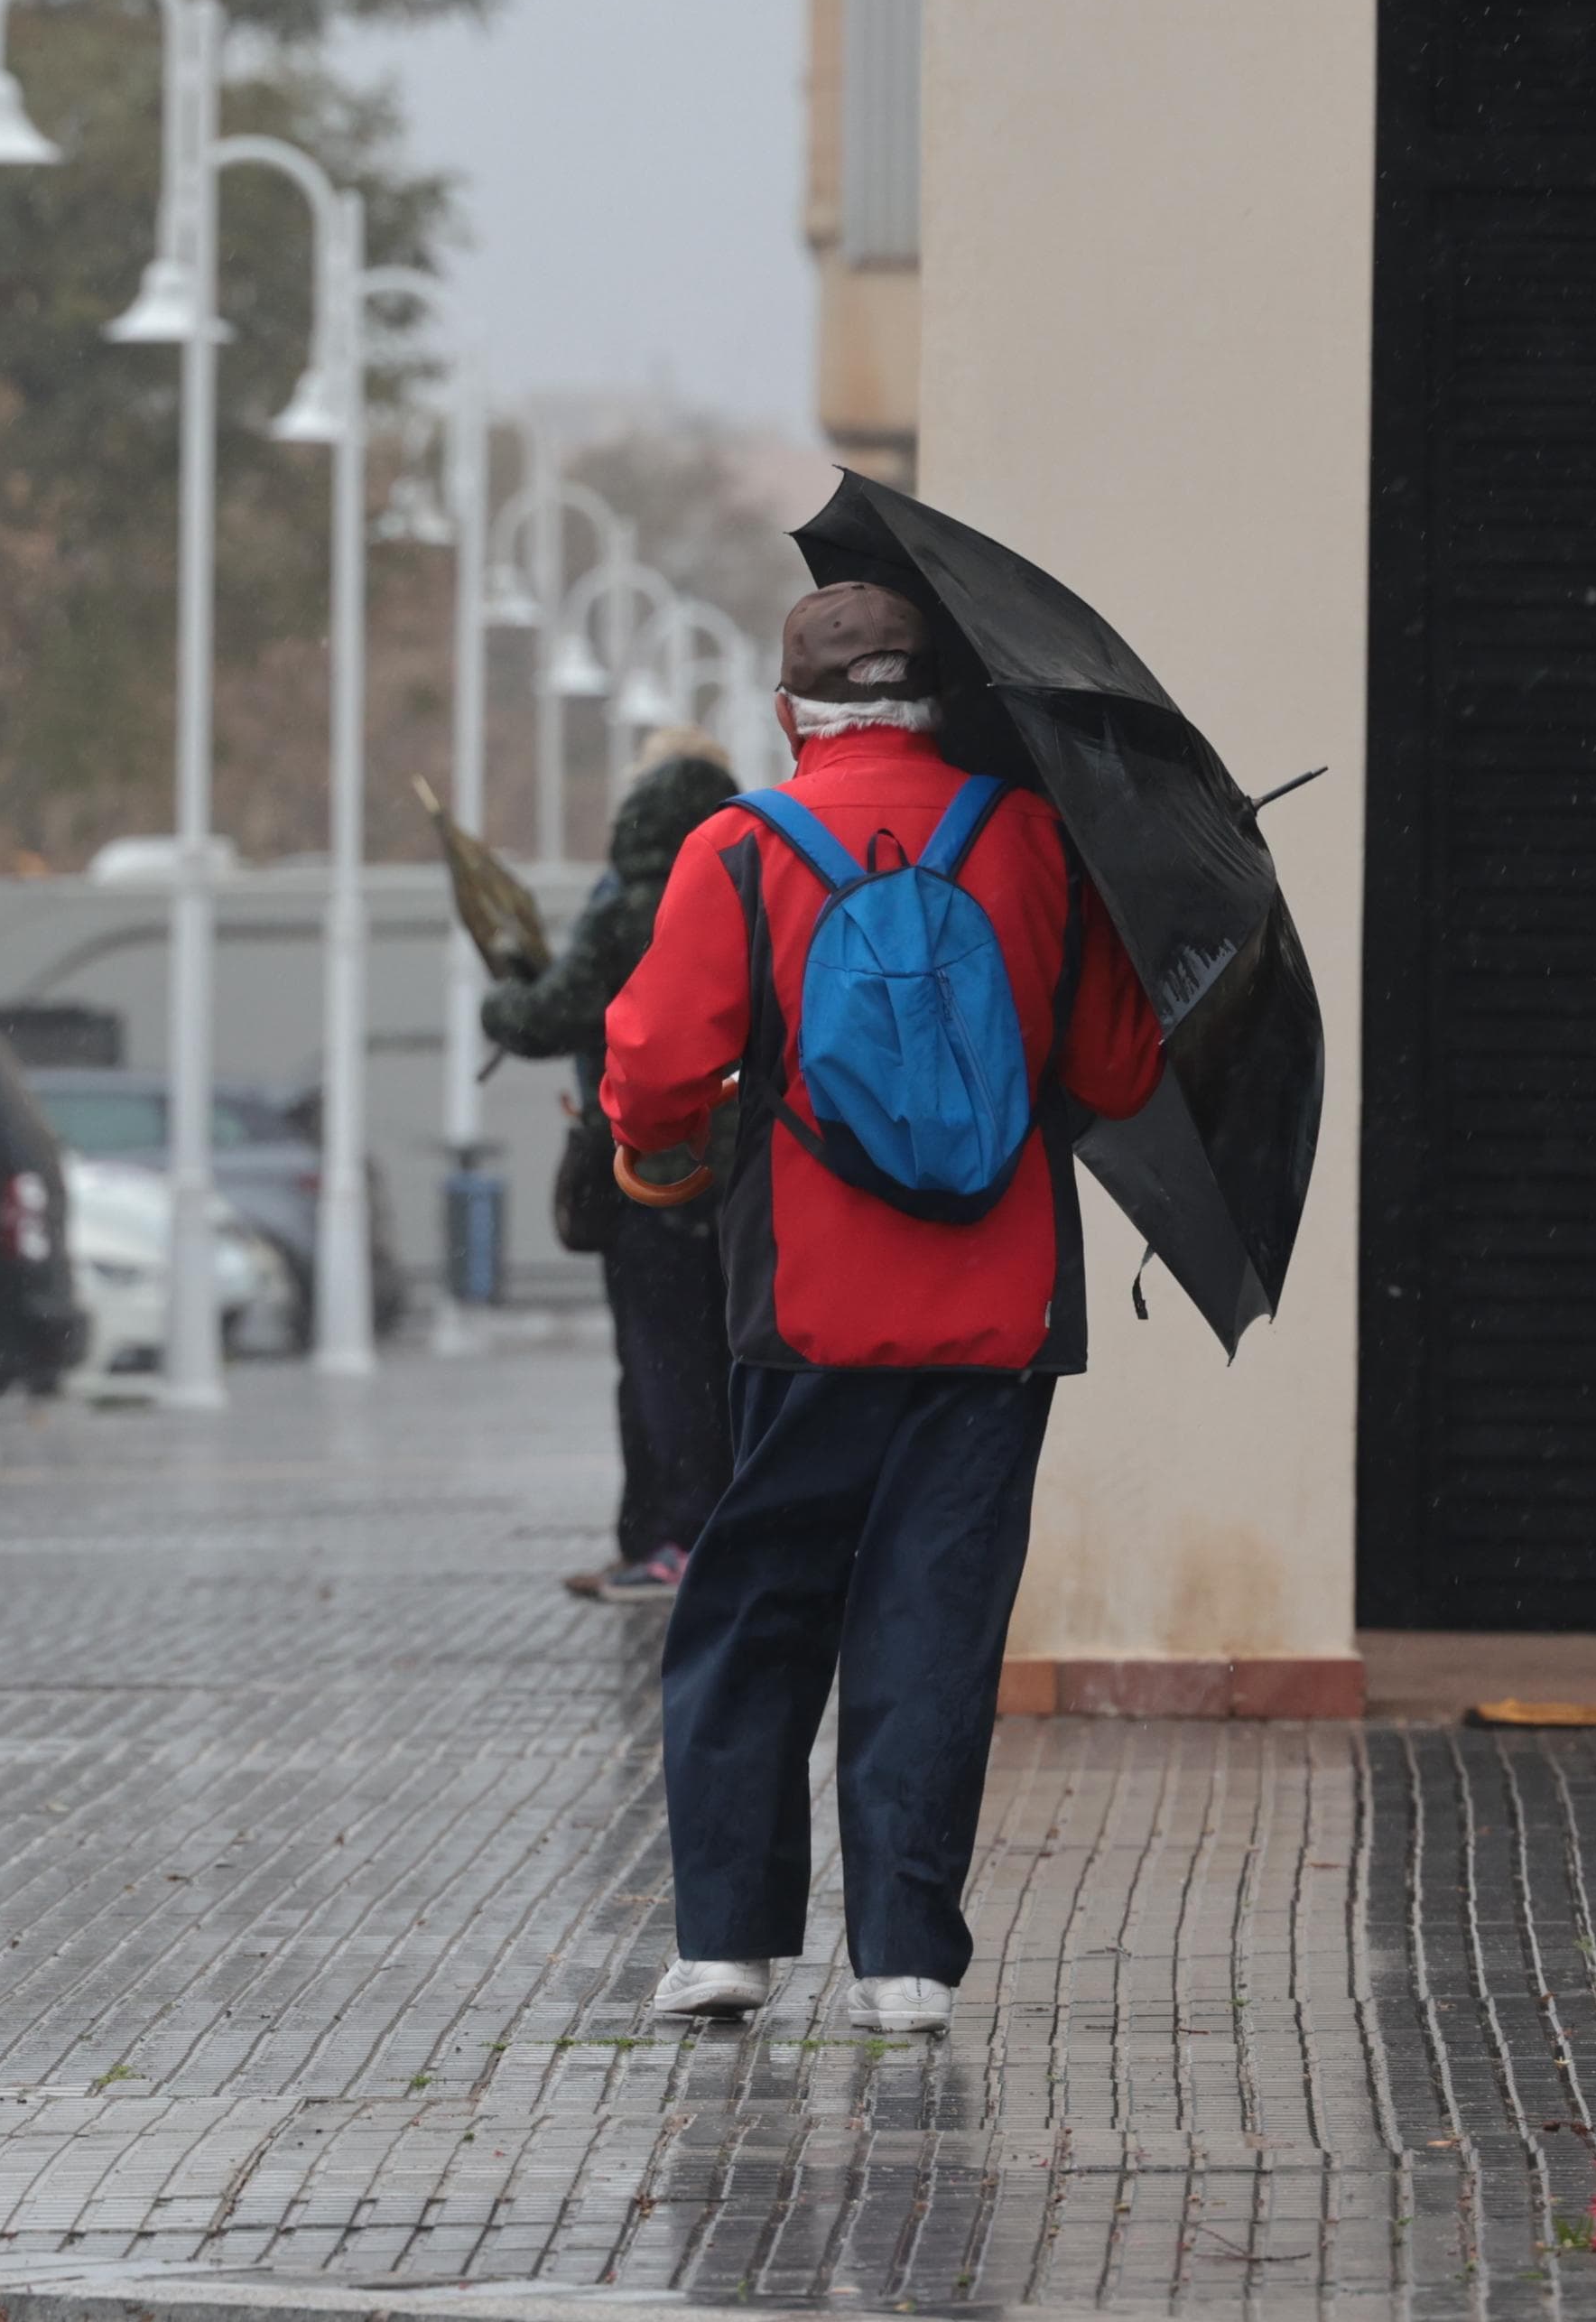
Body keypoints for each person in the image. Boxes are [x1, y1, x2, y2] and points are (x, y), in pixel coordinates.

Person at [600, 583, 1165, 2038]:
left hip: (811, 1306)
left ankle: (727, 1942)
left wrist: (684, 1115)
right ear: (936, 703)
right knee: (936, 1620)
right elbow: (1113, 1070)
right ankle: (904, 1961)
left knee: (755, 1609)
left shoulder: (743, 847)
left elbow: (656, 1067)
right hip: (1000, 1315)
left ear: (795, 716)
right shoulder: (1036, 838)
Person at [480, 729, 738, 1605]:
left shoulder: (627, 896)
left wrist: (502, 997)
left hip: (644, 1163)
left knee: (658, 1365)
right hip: (734, 1166)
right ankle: (714, 1538)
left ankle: (670, 1541)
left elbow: (551, 1013)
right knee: (723, 1359)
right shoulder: (741, 878)